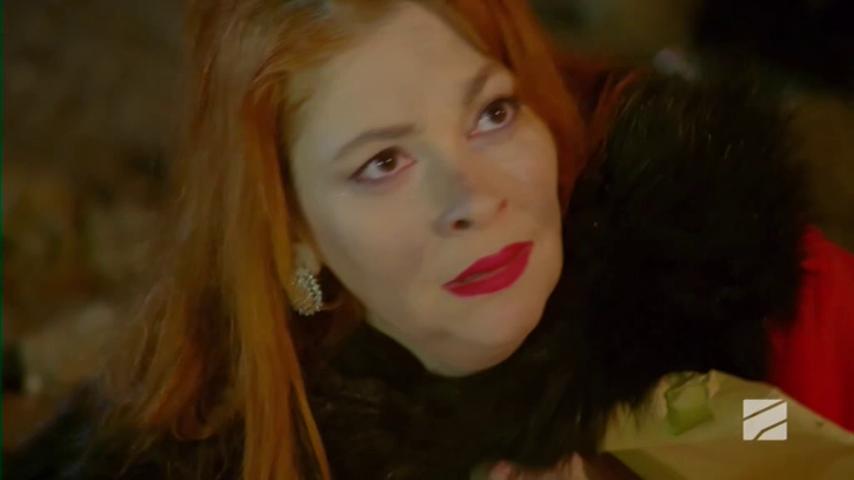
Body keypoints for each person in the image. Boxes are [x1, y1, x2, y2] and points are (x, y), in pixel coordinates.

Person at [9, 1, 852, 479]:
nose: (473, 198)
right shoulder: (227, 446)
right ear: (292, 230)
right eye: (383, 163)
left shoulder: (744, 288)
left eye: (493, 113)